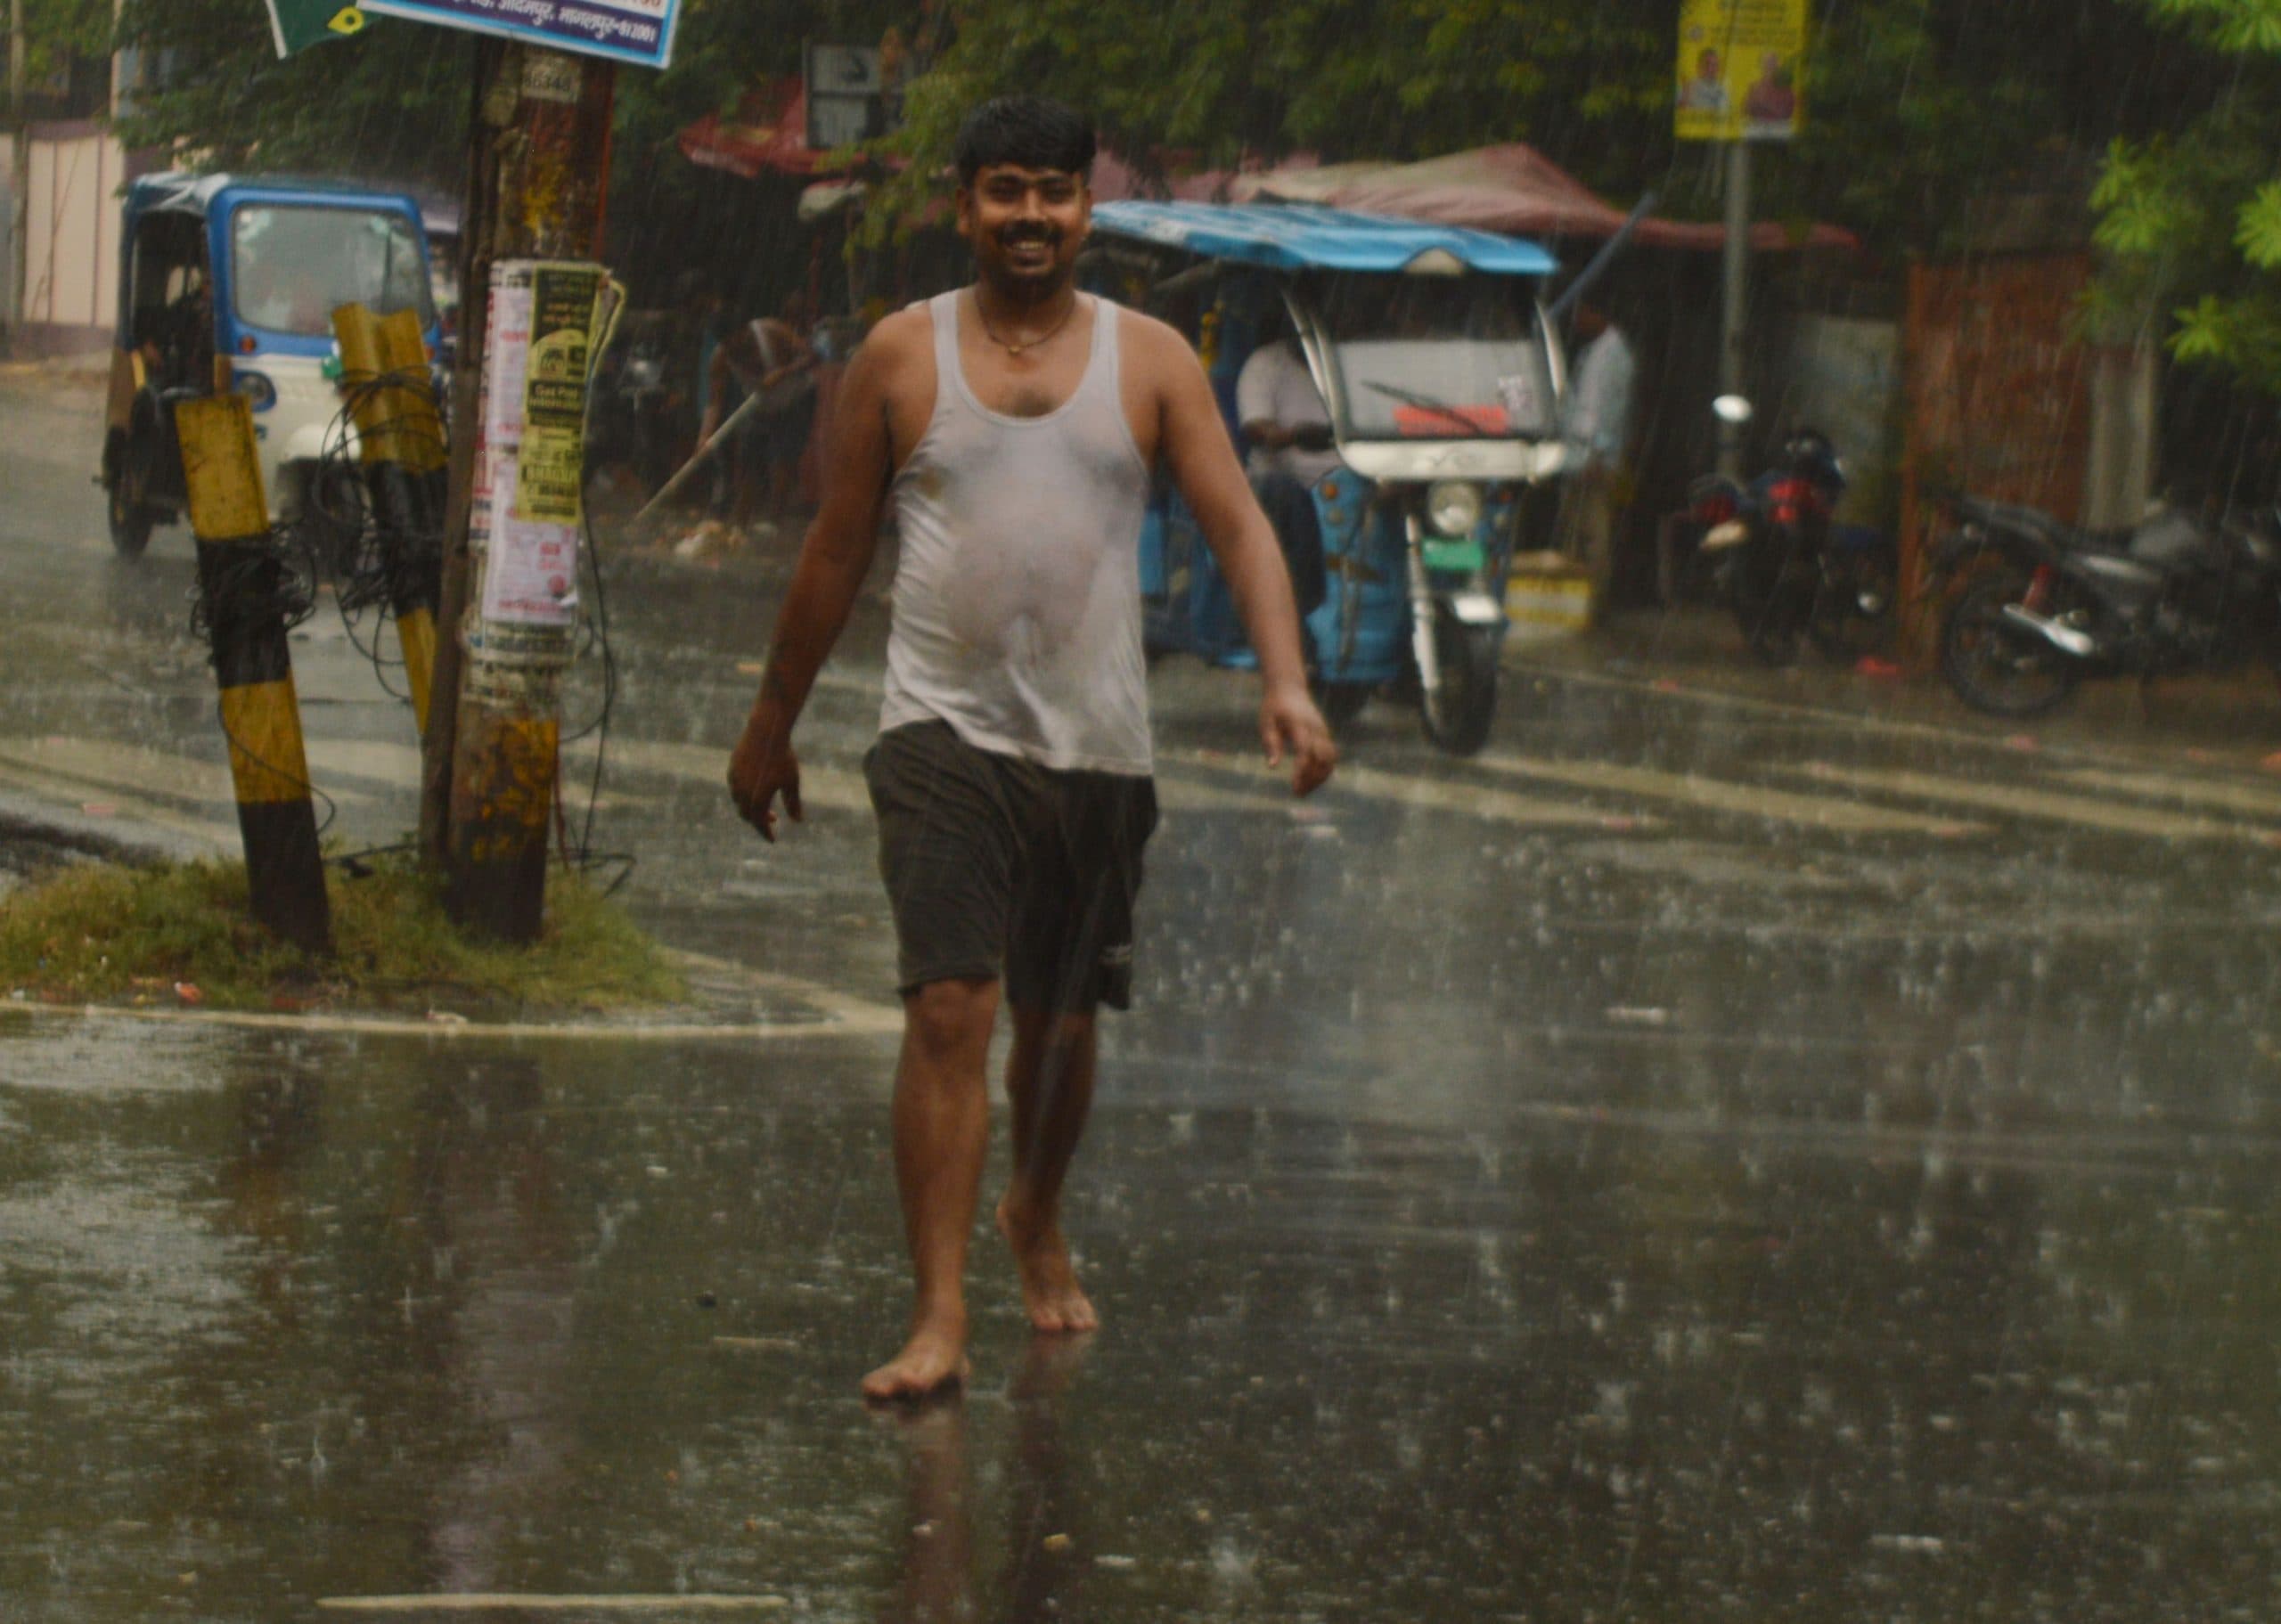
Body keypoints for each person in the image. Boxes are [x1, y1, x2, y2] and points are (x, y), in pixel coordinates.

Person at [726, 95, 1337, 1402]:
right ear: (965, 206)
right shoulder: (900, 356)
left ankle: (1035, 1207)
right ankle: (937, 1310)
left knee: (1058, 1028)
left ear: (1085, 211)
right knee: (951, 1006)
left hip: (1098, 747)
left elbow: (1239, 525)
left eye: (1054, 193)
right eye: (1005, 190)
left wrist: (1287, 683)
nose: (1030, 215)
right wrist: (771, 723)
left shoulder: (1149, 359)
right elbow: (835, 550)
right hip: (941, 731)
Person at [699, 291, 818, 537]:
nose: (732, 347)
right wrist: (705, 436)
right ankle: (739, 525)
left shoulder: (771, 330)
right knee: (748, 462)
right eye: (726, 343)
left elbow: (812, 355)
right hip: (759, 405)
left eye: (735, 340)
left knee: (783, 460)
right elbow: (714, 403)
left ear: (744, 331)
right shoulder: (721, 358)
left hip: (796, 398)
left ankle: (774, 519)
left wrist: (783, 372)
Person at [1234, 330, 1336, 615]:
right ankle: (1298, 610)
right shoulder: (1266, 364)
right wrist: (1296, 435)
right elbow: (1257, 428)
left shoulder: (1346, 359)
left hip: (1348, 477)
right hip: (1291, 483)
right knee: (1281, 494)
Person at [1557, 302, 1637, 616]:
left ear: (1597, 312)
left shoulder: (1614, 355)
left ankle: (1594, 601)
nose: (1576, 321)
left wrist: (1597, 455)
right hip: (1579, 456)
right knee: (1575, 531)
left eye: (1581, 314)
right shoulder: (1592, 352)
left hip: (1595, 459)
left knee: (1594, 532)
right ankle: (1575, 600)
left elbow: (1611, 412)